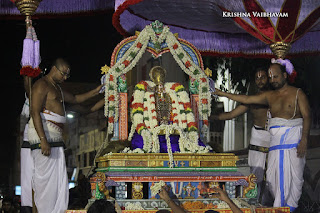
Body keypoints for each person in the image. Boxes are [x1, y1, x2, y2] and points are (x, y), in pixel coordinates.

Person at [214, 59, 311, 211]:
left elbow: (306, 116)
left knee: (293, 181)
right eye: (271, 77)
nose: (272, 80)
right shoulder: (269, 96)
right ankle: (270, 206)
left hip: (292, 143)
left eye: (275, 77)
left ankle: (284, 209)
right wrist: (221, 93)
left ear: (284, 76)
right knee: (271, 179)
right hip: (274, 144)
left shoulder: (297, 93)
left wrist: (304, 139)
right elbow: (245, 99)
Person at [28, 58, 103, 213]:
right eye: (64, 74)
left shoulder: (58, 89)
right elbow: (34, 111)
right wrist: (43, 140)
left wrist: (98, 91)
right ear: (54, 69)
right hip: (44, 139)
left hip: (56, 140)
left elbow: (77, 99)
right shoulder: (41, 85)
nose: (66, 78)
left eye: (67, 75)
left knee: (57, 183)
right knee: (44, 183)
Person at [214, 68, 270, 200]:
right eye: (257, 77)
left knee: (273, 175)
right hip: (258, 138)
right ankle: (255, 202)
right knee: (255, 175)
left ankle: (271, 204)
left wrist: (222, 93)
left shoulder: (273, 96)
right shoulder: (251, 100)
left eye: (263, 77)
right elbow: (230, 115)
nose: (260, 80)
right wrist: (210, 117)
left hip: (274, 137)